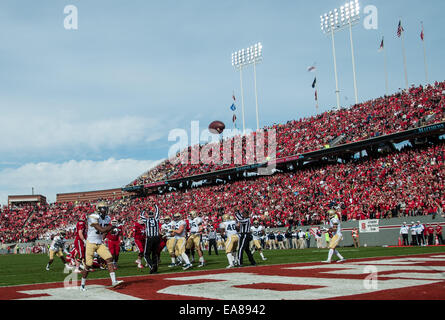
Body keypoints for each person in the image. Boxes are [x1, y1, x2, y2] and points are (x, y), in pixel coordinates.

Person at [80, 202, 123, 291]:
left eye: (105, 208)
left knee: (109, 258)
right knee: (88, 264)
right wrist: (113, 226)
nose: (105, 210)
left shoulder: (107, 218)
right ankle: (82, 284)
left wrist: (112, 231)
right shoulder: (93, 217)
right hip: (91, 243)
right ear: (98, 209)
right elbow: (102, 229)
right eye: (103, 208)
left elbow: (106, 230)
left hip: (99, 243)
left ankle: (114, 281)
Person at [140, 204, 161, 274]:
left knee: (146, 254)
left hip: (150, 238)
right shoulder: (156, 219)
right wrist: (155, 205)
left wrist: (144, 209)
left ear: (148, 215)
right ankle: (155, 269)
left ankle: (152, 265)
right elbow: (158, 211)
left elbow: (141, 215)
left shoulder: (146, 220)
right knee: (154, 254)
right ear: (153, 215)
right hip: (156, 238)